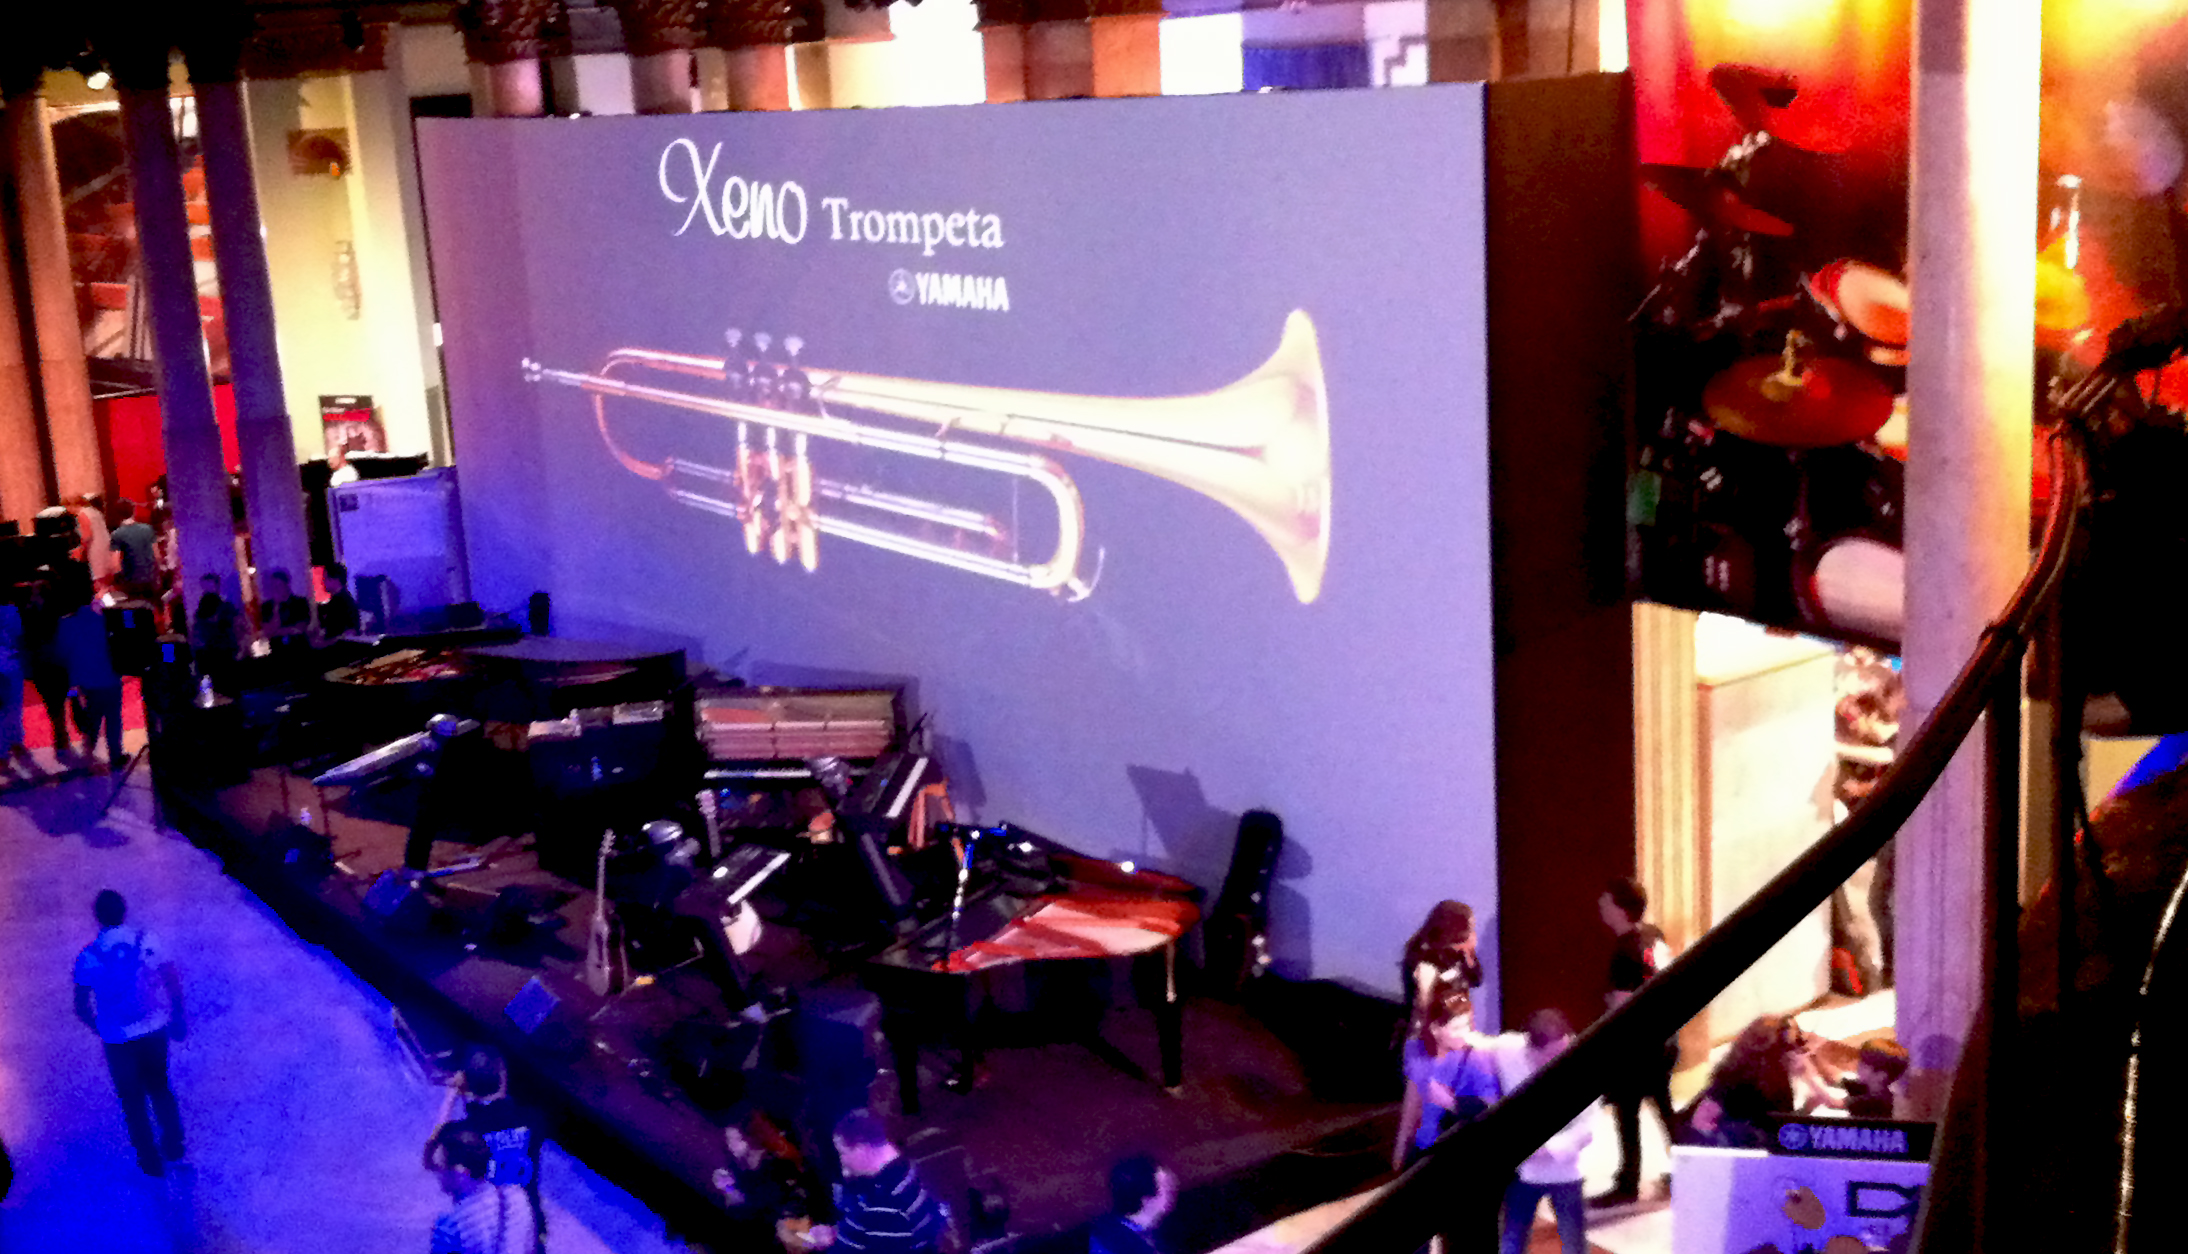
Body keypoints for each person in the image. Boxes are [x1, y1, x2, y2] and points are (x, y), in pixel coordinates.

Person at [73, 889, 186, 1176]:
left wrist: (101, 1029)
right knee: (160, 1087)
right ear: (124, 911)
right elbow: (171, 978)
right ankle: (174, 1144)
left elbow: (81, 1006)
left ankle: (149, 1159)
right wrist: (177, 1014)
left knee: (132, 1100)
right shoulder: (147, 940)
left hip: (117, 1039)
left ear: (97, 917)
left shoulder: (88, 956)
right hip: (153, 1029)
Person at [1591, 876, 1677, 1208]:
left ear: (1620, 909)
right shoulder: (1654, 936)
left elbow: (1623, 1006)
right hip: (1665, 1037)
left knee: (1627, 1113)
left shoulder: (1624, 952)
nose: (1601, 907)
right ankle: (1690, 1167)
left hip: (1637, 1046)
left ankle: (1628, 1184)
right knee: (1664, 1107)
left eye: (1606, 903)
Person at [1492, 1011, 1595, 1254]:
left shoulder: (1582, 1064)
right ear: (1532, 1049)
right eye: (1551, 1055)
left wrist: (1543, 1150)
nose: (1560, 1059)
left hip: (1566, 1173)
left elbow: (1588, 1127)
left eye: (1564, 1050)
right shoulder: (1510, 1050)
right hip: (1523, 1173)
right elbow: (1481, 1042)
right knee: (1512, 1242)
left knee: (1574, 1245)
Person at [432, 1048, 547, 1252]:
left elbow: (436, 1147)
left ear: (466, 1084)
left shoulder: (465, 1133)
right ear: (503, 1079)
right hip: (527, 1226)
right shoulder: (534, 1119)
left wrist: (451, 1096)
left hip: (485, 1229)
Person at [810, 1109, 946, 1253]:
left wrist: (827, 1245)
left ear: (860, 1149)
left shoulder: (887, 1201)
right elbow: (869, 1228)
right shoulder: (910, 1168)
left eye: (842, 1153)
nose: (842, 1161)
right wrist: (835, 1233)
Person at [1393, 990, 1500, 1170]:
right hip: (1423, 1149)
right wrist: (1400, 1151)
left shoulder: (1477, 1058)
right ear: (1435, 1029)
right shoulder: (1418, 1051)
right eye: (1456, 1028)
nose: (1465, 1033)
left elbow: (1491, 1109)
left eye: (1467, 1025)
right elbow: (1411, 1105)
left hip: (1457, 1153)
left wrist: (1450, 1102)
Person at [711, 1108, 814, 1250]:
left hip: (787, 1233)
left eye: (737, 1139)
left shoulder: (776, 1164)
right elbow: (737, 1206)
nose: (732, 1145)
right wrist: (728, 1188)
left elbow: (779, 1205)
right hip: (757, 1233)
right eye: (729, 1139)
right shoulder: (737, 1167)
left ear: (750, 1137)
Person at [427, 1124, 537, 1254]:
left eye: (440, 1169)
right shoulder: (518, 1198)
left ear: (460, 1172)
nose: (438, 1176)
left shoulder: (448, 1226)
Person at [54, 576, 125, 766]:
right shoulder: (104, 618)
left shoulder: (66, 623)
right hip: (108, 673)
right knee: (113, 717)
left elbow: (61, 652)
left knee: (92, 716)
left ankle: (88, 751)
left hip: (82, 678)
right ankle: (116, 755)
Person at [1401, 900, 1485, 1030]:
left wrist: (1470, 954)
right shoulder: (1424, 955)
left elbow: (1476, 980)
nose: (1471, 933)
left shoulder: (1459, 952)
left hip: (1457, 1027)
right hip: (1431, 1030)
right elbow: (1424, 1004)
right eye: (1469, 928)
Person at [1087, 1154, 1177, 1254]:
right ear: (1146, 1199)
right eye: (1165, 1186)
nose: (1173, 1189)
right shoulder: (1108, 1243)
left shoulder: (1157, 1234)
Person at [0, 595, 36, 777]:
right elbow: (19, 638)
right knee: (13, 708)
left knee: (6, 711)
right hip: (11, 664)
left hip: (9, 665)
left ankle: (5, 753)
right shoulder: (11, 610)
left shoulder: (11, 610)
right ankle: (14, 745)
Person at [1837, 1038, 1909, 1120]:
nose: (1858, 1067)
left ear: (1882, 1075)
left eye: (1863, 1065)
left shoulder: (1879, 1102)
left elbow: (1835, 1103)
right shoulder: (1875, 1089)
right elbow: (1846, 1083)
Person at [190, 574, 240, 688]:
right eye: (205, 587)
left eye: (209, 586)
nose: (207, 590)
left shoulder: (227, 608)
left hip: (225, 654)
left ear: (217, 586)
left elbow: (237, 628)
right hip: (211, 656)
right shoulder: (200, 612)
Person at [110, 500, 160, 604]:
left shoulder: (117, 534)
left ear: (117, 514)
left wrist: (118, 581)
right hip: (149, 577)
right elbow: (157, 556)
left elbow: (115, 565)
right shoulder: (148, 529)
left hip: (131, 580)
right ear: (134, 511)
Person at [257, 568, 313, 653]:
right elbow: (268, 632)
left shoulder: (300, 602)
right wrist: (276, 607)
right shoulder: (267, 607)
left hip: (299, 646)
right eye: (273, 586)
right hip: (277, 649)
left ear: (286, 585)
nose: (276, 589)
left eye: (279, 586)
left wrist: (277, 632)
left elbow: (300, 628)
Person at [317, 562, 361, 640]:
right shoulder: (341, 601)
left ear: (336, 580)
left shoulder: (343, 603)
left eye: (326, 579)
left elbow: (349, 632)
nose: (323, 582)